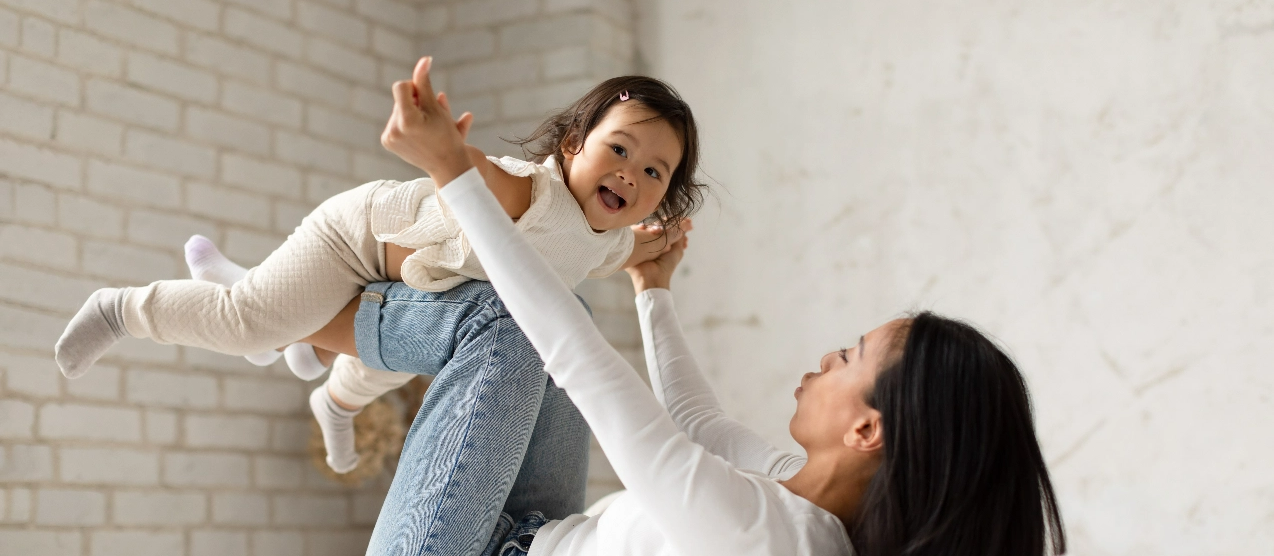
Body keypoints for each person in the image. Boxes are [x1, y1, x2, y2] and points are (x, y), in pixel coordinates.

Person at [304, 57, 1068, 555]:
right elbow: (698, 427)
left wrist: (454, 173)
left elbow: (582, 365)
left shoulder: (761, 538)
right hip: (531, 534)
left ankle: (310, 322)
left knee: (515, 324)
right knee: (557, 312)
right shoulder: (812, 513)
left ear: (868, 429)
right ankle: (315, 329)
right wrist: (654, 289)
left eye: (850, 358)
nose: (828, 357)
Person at [52, 59, 705, 474]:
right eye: (620, 149)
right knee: (249, 322)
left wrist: (661, 245)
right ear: (572, 146)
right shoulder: (537, 194)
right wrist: (444, 146)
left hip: (412, 290)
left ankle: (331, 401)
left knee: (397, 358)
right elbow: (478, 173)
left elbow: (631, 250)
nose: (631, 174)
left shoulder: (605, 240)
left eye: (655, 172)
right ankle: (122, 309)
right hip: (357, 240)